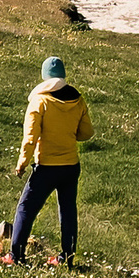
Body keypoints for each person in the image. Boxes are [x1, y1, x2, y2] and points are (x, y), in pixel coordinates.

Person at [9, 55, 93, 266]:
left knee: (26, 208)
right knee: (67, 211)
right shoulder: (77, 99)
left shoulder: (40, 100)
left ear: (44, 76)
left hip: (46, 166)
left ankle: (15, 256)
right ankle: (67, 257)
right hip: (71, 166)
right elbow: (86, 132)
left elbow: (30, 138)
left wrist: (22, 163)